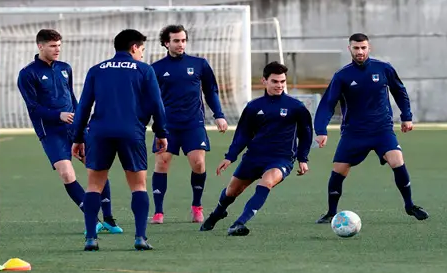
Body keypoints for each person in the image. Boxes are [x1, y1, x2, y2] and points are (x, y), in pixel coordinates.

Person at [313, 33, 428, 223]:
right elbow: (327, 103)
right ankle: (331, 212)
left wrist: (406, 116)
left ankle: (409, 205)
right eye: (356, 48)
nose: (360, 52)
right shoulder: (342, 76)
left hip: (382, 130)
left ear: (369, 48)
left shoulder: (383, 69)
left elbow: (399, 91)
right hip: (354, 133)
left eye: (363, 48)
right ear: (349, 48)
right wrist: (321, 130)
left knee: (397, 160)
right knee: (339, 170)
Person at [72, 29, 169, 251]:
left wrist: (77, 137)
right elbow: (157, 104)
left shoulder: (96, 70)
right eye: (142, 49)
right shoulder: (144, 70)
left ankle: (90, 238)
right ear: (134, 47)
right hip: (131, 132)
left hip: (99, 132)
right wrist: (161, 132)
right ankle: (140, 238)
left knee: (94, 185)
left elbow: (83, 107)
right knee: (138, 185)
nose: (142, 54)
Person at [16, 29, 121, 233]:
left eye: (59, 46)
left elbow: (71, 98)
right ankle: (93, 220)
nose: (57, 50)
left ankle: (108, 218)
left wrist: (81, 121)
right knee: (66, 174)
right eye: (53, 46)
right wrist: (59, 115)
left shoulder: (65, 68)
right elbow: (33, 108)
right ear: (40, 46)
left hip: (74, 128)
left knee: (97, 168)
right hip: (51, 132)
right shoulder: (27, 74)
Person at [200, 62, 313, 236]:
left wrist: (303, 158)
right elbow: (242, 134)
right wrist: (230, 157)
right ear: (264, 81)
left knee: (266, 182)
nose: (279, 85)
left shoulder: (296, 107)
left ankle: (239, 223)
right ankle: (218, 213)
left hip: (281, 158)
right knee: (232, 191)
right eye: (275, 81)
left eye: (282, 81)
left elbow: (306, 134)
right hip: (254, 157)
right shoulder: (253, 107)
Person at [150, 24, 228, 225]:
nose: (180, 44)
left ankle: (197, 206)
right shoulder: (156, 68)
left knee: (199, 163)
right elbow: (149, 98)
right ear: (166, 43)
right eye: (176, 41)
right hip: (167, 125)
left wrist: (219, 115)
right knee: (162, 162)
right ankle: (158, 212)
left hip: (193, 123)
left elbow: (211, 91)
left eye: (183, 40)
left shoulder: (200, 64)